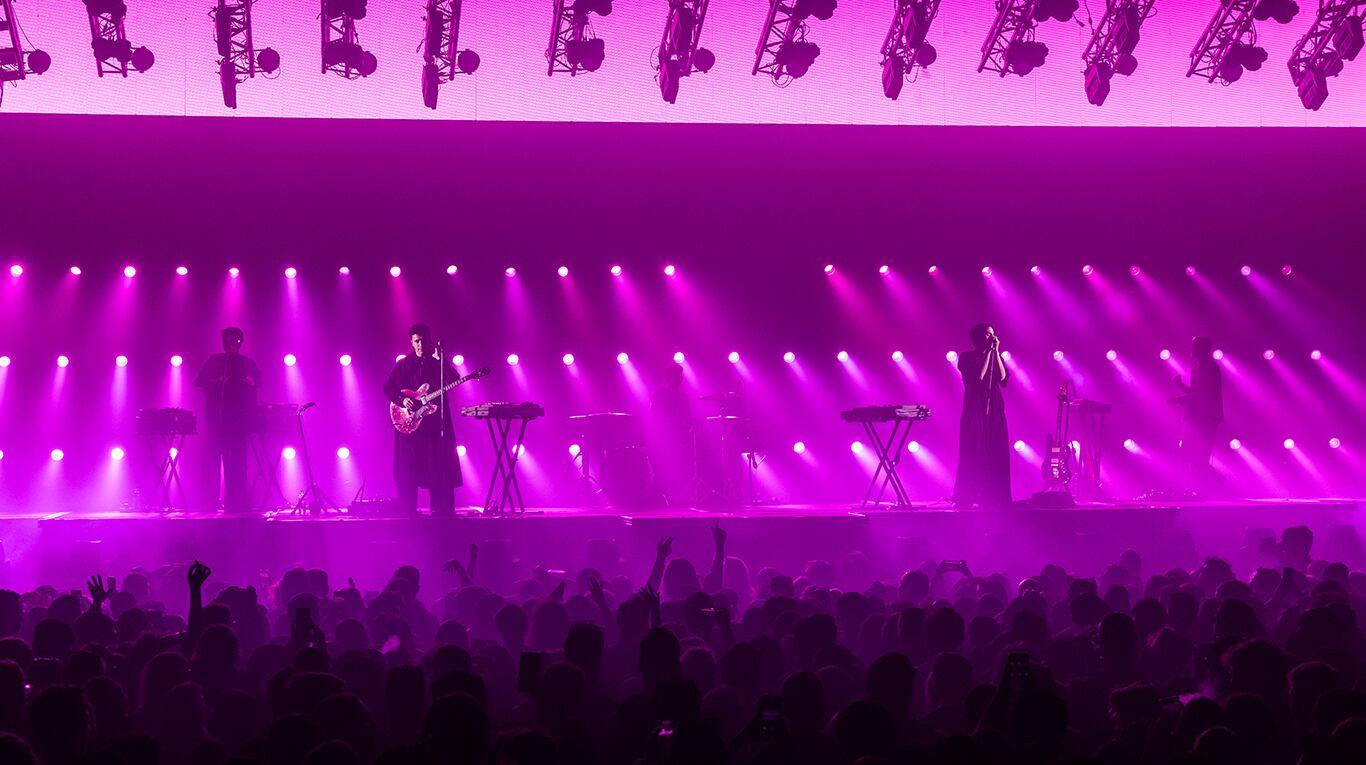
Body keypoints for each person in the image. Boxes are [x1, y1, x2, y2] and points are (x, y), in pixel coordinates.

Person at [383, 324, 462, 516]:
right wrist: (403, 399)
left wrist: (442, 359)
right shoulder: (404, 365)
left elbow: (455, 378)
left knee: (438, 466)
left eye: (423, 340)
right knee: (409, 469)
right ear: (411, 342)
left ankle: (441, 513)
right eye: (416, 341)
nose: (420, 344)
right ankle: (408, 512)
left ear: (429, 340)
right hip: (410, 424)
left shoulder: (438, 363)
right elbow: (388, 388)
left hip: (435, 425)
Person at [194, 327, 260, 514]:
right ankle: (209, 502)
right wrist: (215, 381)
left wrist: (251, 382)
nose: (229, 342)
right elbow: (198, 381)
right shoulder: (215, 361)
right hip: (217, 418)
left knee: (238, 461)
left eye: (233, 339)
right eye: (226, 339)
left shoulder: (247, 363)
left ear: (240, 341)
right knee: (213, 459)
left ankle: (237, 502)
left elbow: (259, 382)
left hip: (239, 420)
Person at [953, 323, 1011, 508]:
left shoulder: (995, 355)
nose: (992, 338)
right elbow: (978, 377)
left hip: (995, 407)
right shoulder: (966, 357)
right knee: (975, 450)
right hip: (975, 408)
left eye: (993, 334)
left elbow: (1002, 378)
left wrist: (996, 354)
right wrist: (988, 355)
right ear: (977, 338)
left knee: (996, 449)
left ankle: (996, 495)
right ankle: (970, 495)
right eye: (988, 335)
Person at [1169, 335, 1223, 494]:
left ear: (1202, 348)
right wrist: (1180, 388)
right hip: (1195, 416)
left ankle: (1211, 486)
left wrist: (1179, 398)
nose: (1190, 349)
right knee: (1188, 449)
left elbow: (1203, 394)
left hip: (1206, 417)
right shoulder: (1197, 368)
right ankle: (1198, 488)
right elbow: (1195, 393)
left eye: (1194, 346)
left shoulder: (1210, 368)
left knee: (1201, 454)